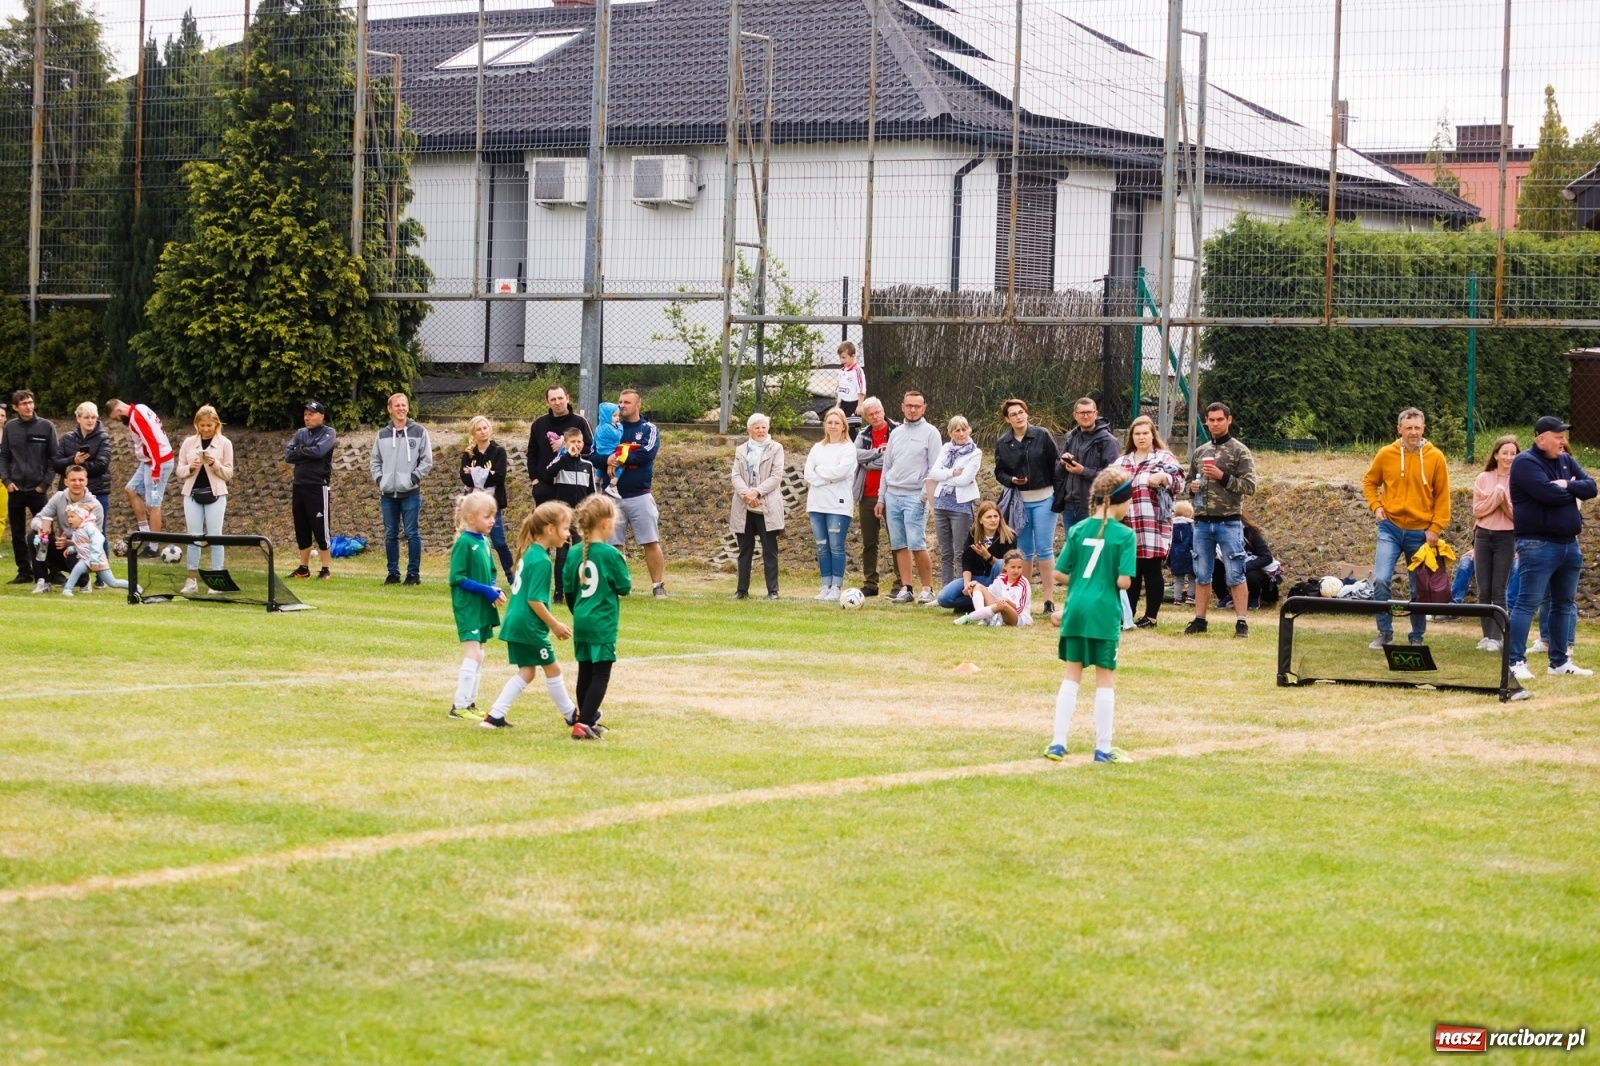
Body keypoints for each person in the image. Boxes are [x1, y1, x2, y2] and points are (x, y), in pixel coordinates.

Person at [1046, 468, 1137, 763]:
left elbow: (1059, 573)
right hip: (1103, 611)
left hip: (1076, 609)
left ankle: (1058, 744)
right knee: (1104, 679)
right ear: (1118, 501)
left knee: (1072, 676)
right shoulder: (1124, 535)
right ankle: (1103, 748)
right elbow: (1124, 581)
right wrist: (1103, 579)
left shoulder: (1078, 529)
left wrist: (1084, 583)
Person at [1506, 417, 1596, 686]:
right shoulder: (1525, 463)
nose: (1562, 441)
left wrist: (1566, 485)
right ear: (1540, 439)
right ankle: (1515, 662)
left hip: (1570, 543)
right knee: (1527, 603)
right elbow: (1547, 496)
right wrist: (1568, 489)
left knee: (1563, 604)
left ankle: (1559, 662)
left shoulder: (1565, 460)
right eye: (1557, 436)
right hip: (1537, 544)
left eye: (1563, 436)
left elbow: (1591, 487)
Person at [485, 500, 584, 732]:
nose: (567, 533)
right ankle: (571, 715)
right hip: (528, 626)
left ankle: (495, 716)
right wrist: (555, 625)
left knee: (527, 671)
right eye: (565, 528)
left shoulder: (530, 552)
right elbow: (534, 600)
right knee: (553, 669)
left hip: (516, 622)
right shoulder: (541, 560)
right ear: (550, 529)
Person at [1361, 407, 1450, 649]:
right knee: (1380, 579)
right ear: (1399, 428)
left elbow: (1443, 497)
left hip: (1421, 533)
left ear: (1424, 429)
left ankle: (1417, 636)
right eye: (1408, 427)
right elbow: (1370, 481)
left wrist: (1435, 528)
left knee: (1418, 586)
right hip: (1390, 528)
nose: (1413, 432)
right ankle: (1384, 632)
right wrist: (1376, 506)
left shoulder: (1436, 457)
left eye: (1417, 428)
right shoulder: (1386, 454)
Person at [1184, 402, 1258, 638]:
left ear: (1229, 420)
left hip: (1229, 521)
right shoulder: (1200, 452)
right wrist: (1192, 488)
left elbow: (1249, 486)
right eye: (1211, 420)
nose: (1215, 424)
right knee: (1202, 572)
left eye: (1219, 419)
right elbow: (1187, 484)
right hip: (1202, 522)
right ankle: (1200, 620)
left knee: (1235, 572)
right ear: (1205, 421)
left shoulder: (1240, 451)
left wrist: (1222, 476)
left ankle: (1242, 622)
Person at [563, 494, 633, 735]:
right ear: (605, 523)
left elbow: (569, 591)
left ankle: (586, 719)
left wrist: (579, 612)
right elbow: (624, 587)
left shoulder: (573, 553)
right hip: (602, 622)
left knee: (585, 670)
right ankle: (584, 723)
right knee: (601, 672)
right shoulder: (610, 554)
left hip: (581, 620)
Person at [995, 398, 1069, 620]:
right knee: (1024, 551)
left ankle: (1049, 600)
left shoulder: (1042, 435)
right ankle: (1023, 600)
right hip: (1019, 502)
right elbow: (999, 472)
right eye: (1013, 414)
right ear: (1007, 419)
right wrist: (1012, 480)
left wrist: (1058, 496)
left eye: (1021, 412)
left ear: (1027, 413)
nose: (1018, 416)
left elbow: (1056, 466)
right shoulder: (1003, 442)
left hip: (1045, 498)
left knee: (1045, 549)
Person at [1051, 397, 1121, 618]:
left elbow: (1113, 476)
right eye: (1081, 413)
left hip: (1093, 507)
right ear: (1075, 415)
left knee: (1097, 558)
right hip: (1070, 505)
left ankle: (1104, 608)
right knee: (1077, 558)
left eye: (1089, 412)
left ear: (1096, 413)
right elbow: (1057, 470)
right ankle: (1079, 604)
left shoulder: (1107, 440)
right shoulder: (1071, 437)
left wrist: (1084, 471)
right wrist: (1064, 463)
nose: (1085, 416)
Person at [1113, 415, 1185, 627]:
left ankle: (1151, 616)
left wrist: (1165, 478)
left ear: (1153, 435)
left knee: (1152, 569)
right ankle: (1128, 615)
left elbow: (1180, 481)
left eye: (1145, 433)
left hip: (1153, 523)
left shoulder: (1164, 458)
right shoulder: (1121, 462)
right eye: (1137, 434)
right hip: (1126, 523)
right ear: (1131, 437)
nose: (1141, 437)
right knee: (1131, 570)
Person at [446, 492, 509, 720]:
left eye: (494, 515)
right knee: (472, 654)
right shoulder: (463, 542)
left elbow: (490, 573)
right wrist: (485, 590)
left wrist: (494, 589)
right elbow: (457, 578)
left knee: (480, 655)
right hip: (468, 607)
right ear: (471, 518)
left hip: (482, 605)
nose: (492, 520)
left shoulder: (485, 541)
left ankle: (470, 704)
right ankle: (459, 706)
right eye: (487, 516)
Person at [878, 390, 942, 604]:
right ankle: (906, 588)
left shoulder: (931, 433)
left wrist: (924, 497)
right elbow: (887, 468)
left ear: (924, 408)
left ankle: (927, 588)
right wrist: (881, 498)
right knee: (899, 544)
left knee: (916, 543)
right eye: (909, 405)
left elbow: (935, 469)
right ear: (902, 407)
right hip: (893, 495)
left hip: (915, 496)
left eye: (917, 406)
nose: (913, 409)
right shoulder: (895, 433)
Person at [608, 389, 666, 597]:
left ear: (638, 405)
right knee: (614, 545)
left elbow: (647, 454)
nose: (622, 405)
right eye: (620, 401)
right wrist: (607, 459)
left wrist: (620, 458)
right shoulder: (611, 426)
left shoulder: (648, 428)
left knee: (650, 541)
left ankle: (658, 586)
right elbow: (599, 451)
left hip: (640, 494)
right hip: (612, 497)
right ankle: (619, 586)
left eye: (627, 402)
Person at [371, 392, 432, 586]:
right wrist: (381, 480)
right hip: (388, 494)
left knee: (412, 533)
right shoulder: (382, 434)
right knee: (390, 534)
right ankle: (393, 573)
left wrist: (413, 478)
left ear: (408, 407)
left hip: (410, 493)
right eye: (397, 405)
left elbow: (426, 460)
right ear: (390, 409)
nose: (401, 408)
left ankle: (413, 574)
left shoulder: (419, 432)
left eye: (404, 405)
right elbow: (375, 461)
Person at [175, 405, 234, 594]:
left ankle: (217, 579)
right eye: (202, 425)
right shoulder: (188, 443)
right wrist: (191, 468)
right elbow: (180, 470)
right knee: (194, 537)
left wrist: (214, 463)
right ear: (197, 425)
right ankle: (191, 580)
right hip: (192, 494)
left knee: (216, 536)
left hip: (216, 494)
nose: (206, 429)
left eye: (209, 425)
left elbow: (228, 473)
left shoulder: (225, 443)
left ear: (216, 424)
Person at [1, 390, 57, 585]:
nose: (28, 406)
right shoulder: (10, 427)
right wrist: (7, 481)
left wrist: (44, 484)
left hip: (37, 490)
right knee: (17, 532)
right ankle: (24, 571)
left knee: (46, 531)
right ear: (15, 407)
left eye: (30, 402)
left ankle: (53, 569)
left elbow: (53, 459)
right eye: (23, 403)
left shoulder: (46, 426)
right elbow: (4, 456)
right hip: (15, 489)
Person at [730, 412, 786, 600]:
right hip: (744, 505)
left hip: (766, 504)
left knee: (770, 549)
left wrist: (757, 492)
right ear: (749, 430)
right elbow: (735, 475)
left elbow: (776, 476)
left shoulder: (776, 448)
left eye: (763, 427)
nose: (761, 430)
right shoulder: (741, 450)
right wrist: (746, 494)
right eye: (757, 427)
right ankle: (742, 589)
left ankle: (773, 590)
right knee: (745, 549)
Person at [1472, 435, 1519, 652]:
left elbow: (1517, 517)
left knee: (1499, 589)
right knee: (1484, 590)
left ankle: (1497, 637)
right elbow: (1478, 512)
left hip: (1506, 537)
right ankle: (1486, 636)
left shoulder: (1519, 480)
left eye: (1513, 453)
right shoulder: (1483, 477)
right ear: (1496, 455)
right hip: (1483, 536)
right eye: (1505, 453)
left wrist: (1500, 502)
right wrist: (1497, 497)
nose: (1509, 457)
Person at [804, 407, 856, 600]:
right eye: (829, 422)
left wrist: (821, 472)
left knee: (836, 546)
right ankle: (825, 585)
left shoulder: (848, 448)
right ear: (824, 425)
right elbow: (808, 473)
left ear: (843, 426)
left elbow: (841, 472)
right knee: (822, 546)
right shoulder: (817, 448)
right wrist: (824, 476)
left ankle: (836, 586)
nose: (833, 426)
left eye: (837, 423)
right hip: (817, 504)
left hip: (838, 505)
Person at [105, 398, 172, 546]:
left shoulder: (136, 418)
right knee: (131, 489)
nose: (118, 421)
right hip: (149, 462)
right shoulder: (141, 407)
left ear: (119, 411)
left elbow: (152, 442)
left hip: (158, 462)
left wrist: (156, 469)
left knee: (153, 504)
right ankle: (144, 532)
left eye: (116, 418)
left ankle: (153, 546)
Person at [283, 401, 337, 579]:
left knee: (321, 528)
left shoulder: (328, 432)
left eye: (311, 414)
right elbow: (288, 455)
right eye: (305, 414)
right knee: (301, 527)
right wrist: (306, 452)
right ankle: (303, 568)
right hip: (299, 486)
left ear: (321, 416)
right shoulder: (300, 433)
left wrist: (301, 451)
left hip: (317, 486)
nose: (307, 417)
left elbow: (319, 453)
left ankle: (325, 569)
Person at [928, 415, 982, 589]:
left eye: (964, 429)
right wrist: (951, 473)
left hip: (961, 507)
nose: (961, 433)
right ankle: (945, 591)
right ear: (950, 433)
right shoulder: (946, 448)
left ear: (969, 430)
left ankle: (961, 590)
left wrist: (944, 476)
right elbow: (933, 473)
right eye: (957, 430)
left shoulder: (975, 452)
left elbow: (965, 480)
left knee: (960, 552)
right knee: (945, 552)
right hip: (941, 504)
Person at [30, 465, 104, 590]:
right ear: (65, 482)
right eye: (73, 480)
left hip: (82, 552)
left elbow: (96, 539)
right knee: (34, 536)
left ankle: (84, 580)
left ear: (86, 481)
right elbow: (37, 518)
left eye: (81, 480)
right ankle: (43, 581)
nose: (77, 483)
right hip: (62, 548)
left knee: (74, 563)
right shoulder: (59, 497)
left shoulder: (95, 506)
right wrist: (41, 528)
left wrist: (70, 543)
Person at [544, 427, 598, 599]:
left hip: (580, 517)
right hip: (562, 516)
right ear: (565, 444)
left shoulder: (587, 465)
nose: (577, 445)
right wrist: (566, 456)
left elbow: (592, 493)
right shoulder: (560, 461)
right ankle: (559, 591)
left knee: (580, 552)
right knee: (561, 555)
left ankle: (579, 588)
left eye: (579, 442)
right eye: (573, 442)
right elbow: (548, 473)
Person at [852, 397, 897, 597]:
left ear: (883, 410)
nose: (875, 417)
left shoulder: (897, 431)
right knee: (869, 542)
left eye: (877, 412)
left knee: (897, 540)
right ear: (866, 417)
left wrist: (870, 461)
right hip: (867, 495)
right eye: (870, 415)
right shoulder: (863, 434)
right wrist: (878, 453)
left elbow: (895, 461)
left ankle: (900, 583)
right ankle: (870, 583)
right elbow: (856, 455)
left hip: (892, 494)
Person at [460, 415, 515, 576]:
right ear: (473, 433)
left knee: (499, 543)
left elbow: (499, 477)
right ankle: (473, 576)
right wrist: (486, 473)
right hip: (472, 504)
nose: (483, 431)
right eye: (479, 429)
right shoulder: (469, 454)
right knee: (472, 542)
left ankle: (513, 579)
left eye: (485, 428)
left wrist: (475, 471)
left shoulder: (499, 451)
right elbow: (465, 479)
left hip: (492, 504)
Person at [937, 500, 1016, 611]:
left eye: (995, 516)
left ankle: (990, 600)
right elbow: (966, 561)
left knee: (1001, 563)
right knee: (944, 598)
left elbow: (1007, 567)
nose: (993, 520)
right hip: (975, 577)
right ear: (980, 520)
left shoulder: (1009, 536)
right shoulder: (973, 534)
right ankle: (973, 602)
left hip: (994, 581)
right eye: (988, 517)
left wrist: (988, 556)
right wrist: (967, 584)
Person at [528, 385, 592, 503]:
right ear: (547, 402)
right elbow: (532, 454)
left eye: (560, 398)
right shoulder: (538, 424)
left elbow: (591, 450)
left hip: (572, 485)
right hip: (545, 486)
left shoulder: (580, 422)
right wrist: (535, 480)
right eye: (553, 399)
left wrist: (565, 447)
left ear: (567, 398)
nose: (557, 402)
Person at [53, 401, 112, 521]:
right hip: (69, 494)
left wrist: (79, 464)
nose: (90, 421)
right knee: (67, 533)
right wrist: (73, 460)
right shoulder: (66, 438)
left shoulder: (103, 438)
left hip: (96, 492)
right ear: (78, 418)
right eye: (86, 417)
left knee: (97, 534)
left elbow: (101, 466)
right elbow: (56, 464)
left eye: (93, 417)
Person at [1209, 515, 1278, 609]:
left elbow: (1267, 557)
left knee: (1250, 576)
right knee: (1212, 567)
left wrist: (1244, 566)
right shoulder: (1220, 534)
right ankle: (1226, 597)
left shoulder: (1251, 532)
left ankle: (1254, 596)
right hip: (1232, 564)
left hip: (1253, 568)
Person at [60, 504, 126, 595]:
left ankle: (134, 587)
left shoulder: (89, 527)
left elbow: (98, 540)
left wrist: (94, 560)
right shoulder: (77, 530)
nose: (69, 519)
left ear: (81, 517)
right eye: (68, 517)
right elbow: (82, 545)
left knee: (113, 583)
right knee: (77, 569)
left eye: (72, 516)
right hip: (86, 559)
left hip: (97, 560)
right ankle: (67, 590)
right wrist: (72, 549)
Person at [955, 549, 1032, 626]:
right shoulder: (1001, 578)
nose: (1016, 570)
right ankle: (984, 619)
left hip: (1018, 618)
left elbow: (1019, 609)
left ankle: (968, 618)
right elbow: (989, 591)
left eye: (1019, 567)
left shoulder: (1023, 583)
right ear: (1005, 566)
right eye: (1013, 567)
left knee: (1003, 605)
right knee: (977, 587)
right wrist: (976, 584)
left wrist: (1008, 601)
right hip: (1000, 610)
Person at [592, 401, 623, 496]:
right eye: (614, 416)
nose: (617, 418)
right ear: (607, 416)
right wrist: (620, 427)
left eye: (618, 415)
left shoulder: (599, 427)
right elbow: (618, 436)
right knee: (620, 467)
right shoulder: (609, 428)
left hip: (601, 451)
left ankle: (596, 479)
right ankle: (612, 486)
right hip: (609, 451)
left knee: (601, 467)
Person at [1168, 500, 1196, 606]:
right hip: (1189, 555)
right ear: (1189, 513)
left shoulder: (1171, 527)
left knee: (1178, 579)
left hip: (1175, 556)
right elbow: (1193, 541)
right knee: (1192, 577)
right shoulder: (1190, 527)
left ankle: (1177, 599)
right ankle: (1190, 596)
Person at [836, 341, 867, 427]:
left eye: (844, 357)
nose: (841, 360)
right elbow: (840, 389)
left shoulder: (857, 370)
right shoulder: (841, 371)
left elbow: (861, 388)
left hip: (853, 403)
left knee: (851, 428)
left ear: (852, 356)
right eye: (840, 357)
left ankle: (855, 441)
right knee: (841, 426)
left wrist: (860, 405)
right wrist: (838, 404)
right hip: (843, 403)